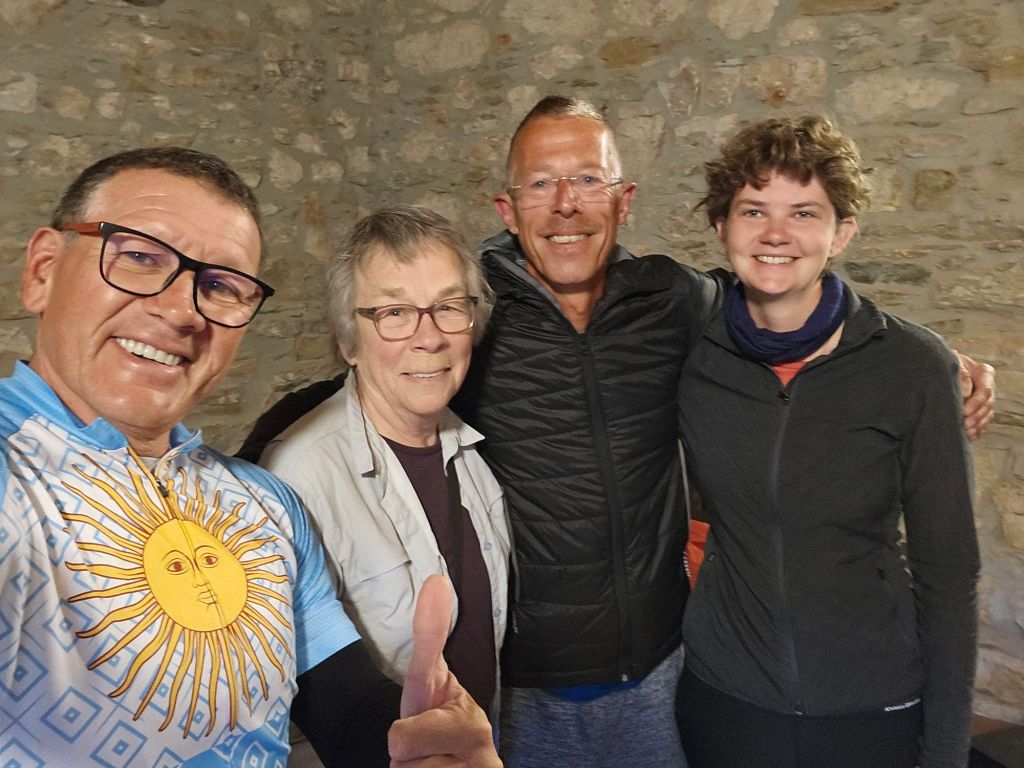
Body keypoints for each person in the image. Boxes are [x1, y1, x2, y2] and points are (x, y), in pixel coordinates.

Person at [238, 96, 995, 768]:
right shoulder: (473, 310)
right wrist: (246, 470)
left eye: (588, 180)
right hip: (524, 686)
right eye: (541, 184)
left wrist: (925, 360)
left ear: (624, 200)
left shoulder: (677, 303)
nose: (565, 205)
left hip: (662, 673)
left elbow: (777, 299)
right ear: (508, 209)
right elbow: (385, 368)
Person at [0, 147, 500, 768]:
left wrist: (421, 746)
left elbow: (344, 712)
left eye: (221, 286)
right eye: (139, 256)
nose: (182, 310)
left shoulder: (265, 504)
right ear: (43, 270)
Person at [675, 115, 980, 768]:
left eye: (804, 213)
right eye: (753, 210)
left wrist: (947, 752)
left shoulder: (912, 367)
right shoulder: (690, 353)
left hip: (870, 706)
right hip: (727, 699)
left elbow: (949, 573)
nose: (776, 233)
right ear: (721, 226)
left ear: (842, 232)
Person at [259, 206, 510, 765]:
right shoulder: (297, 478)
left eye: (449, 307)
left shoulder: (473, 453)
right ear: (349, 342)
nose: (430, 338)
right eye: (395, 312)